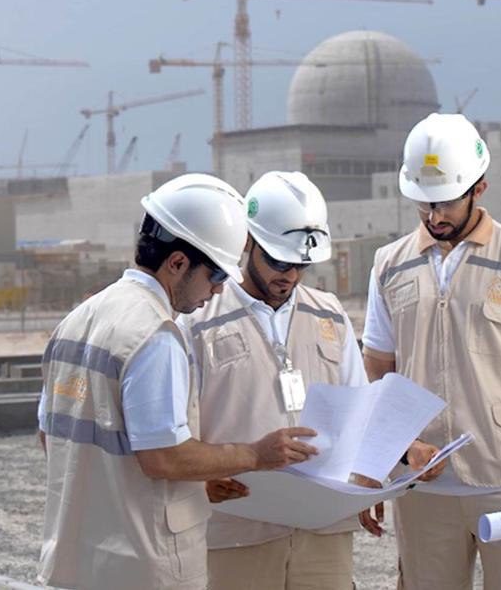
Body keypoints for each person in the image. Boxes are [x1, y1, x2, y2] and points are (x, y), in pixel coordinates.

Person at [37, 174, 320, 590]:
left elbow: (52, 439)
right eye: (216, 277)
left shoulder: (77, 321)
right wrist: (255, 454)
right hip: (144, 564)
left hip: (78, 559)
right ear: (177, 263)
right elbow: (164, 458)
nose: (218, 291)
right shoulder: (155, 335)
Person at [362, 114, 501, 590]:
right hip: (422, 487)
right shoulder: (390, 266)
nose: (433, 216)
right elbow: (378, 371)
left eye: (444, 203)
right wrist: (383, 462)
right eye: (422, 203)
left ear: (479, 188)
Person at [182, 171, 398, 590]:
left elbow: (360, 408)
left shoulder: (330, 314)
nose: (291, 277)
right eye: (279, 262)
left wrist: (368, 479)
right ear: (247, 242)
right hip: (238, 530)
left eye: (301, 265)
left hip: (323, 531)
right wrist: (200, 481)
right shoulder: (198, 321)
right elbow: (178, 430)